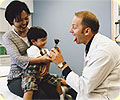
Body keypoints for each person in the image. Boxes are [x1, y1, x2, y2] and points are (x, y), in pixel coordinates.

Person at [48, 11, 120, 100]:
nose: (70, 30)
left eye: (74, 27)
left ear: (86, 31)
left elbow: (84, 87)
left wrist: (62, 64)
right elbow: (90, 78)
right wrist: (68, 82)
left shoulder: (103, 51)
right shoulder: (92, 45)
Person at [2, 0, 60, 99]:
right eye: (20, 20)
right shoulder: (8, 37)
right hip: (17, 77)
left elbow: (42, 50)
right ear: (12, 21)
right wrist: (41, 60)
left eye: (26, 18)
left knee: (53, 92)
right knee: (40, 96)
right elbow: (17, 59)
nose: (24, 23)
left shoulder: (33, 32)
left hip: (36, 74)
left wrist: (46, 66)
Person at [22, 26, 64, 100]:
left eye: (45, 39)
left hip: (42, 75)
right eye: (42, 40)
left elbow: (48, 63)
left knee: (57, 82)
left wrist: (53, 55)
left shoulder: (44, 50)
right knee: (29, 89)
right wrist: (49, 56)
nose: (45, 42)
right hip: (31, 75)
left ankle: (62, 98)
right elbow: (41, 59)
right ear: (33, 41)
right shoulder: (32, 49)